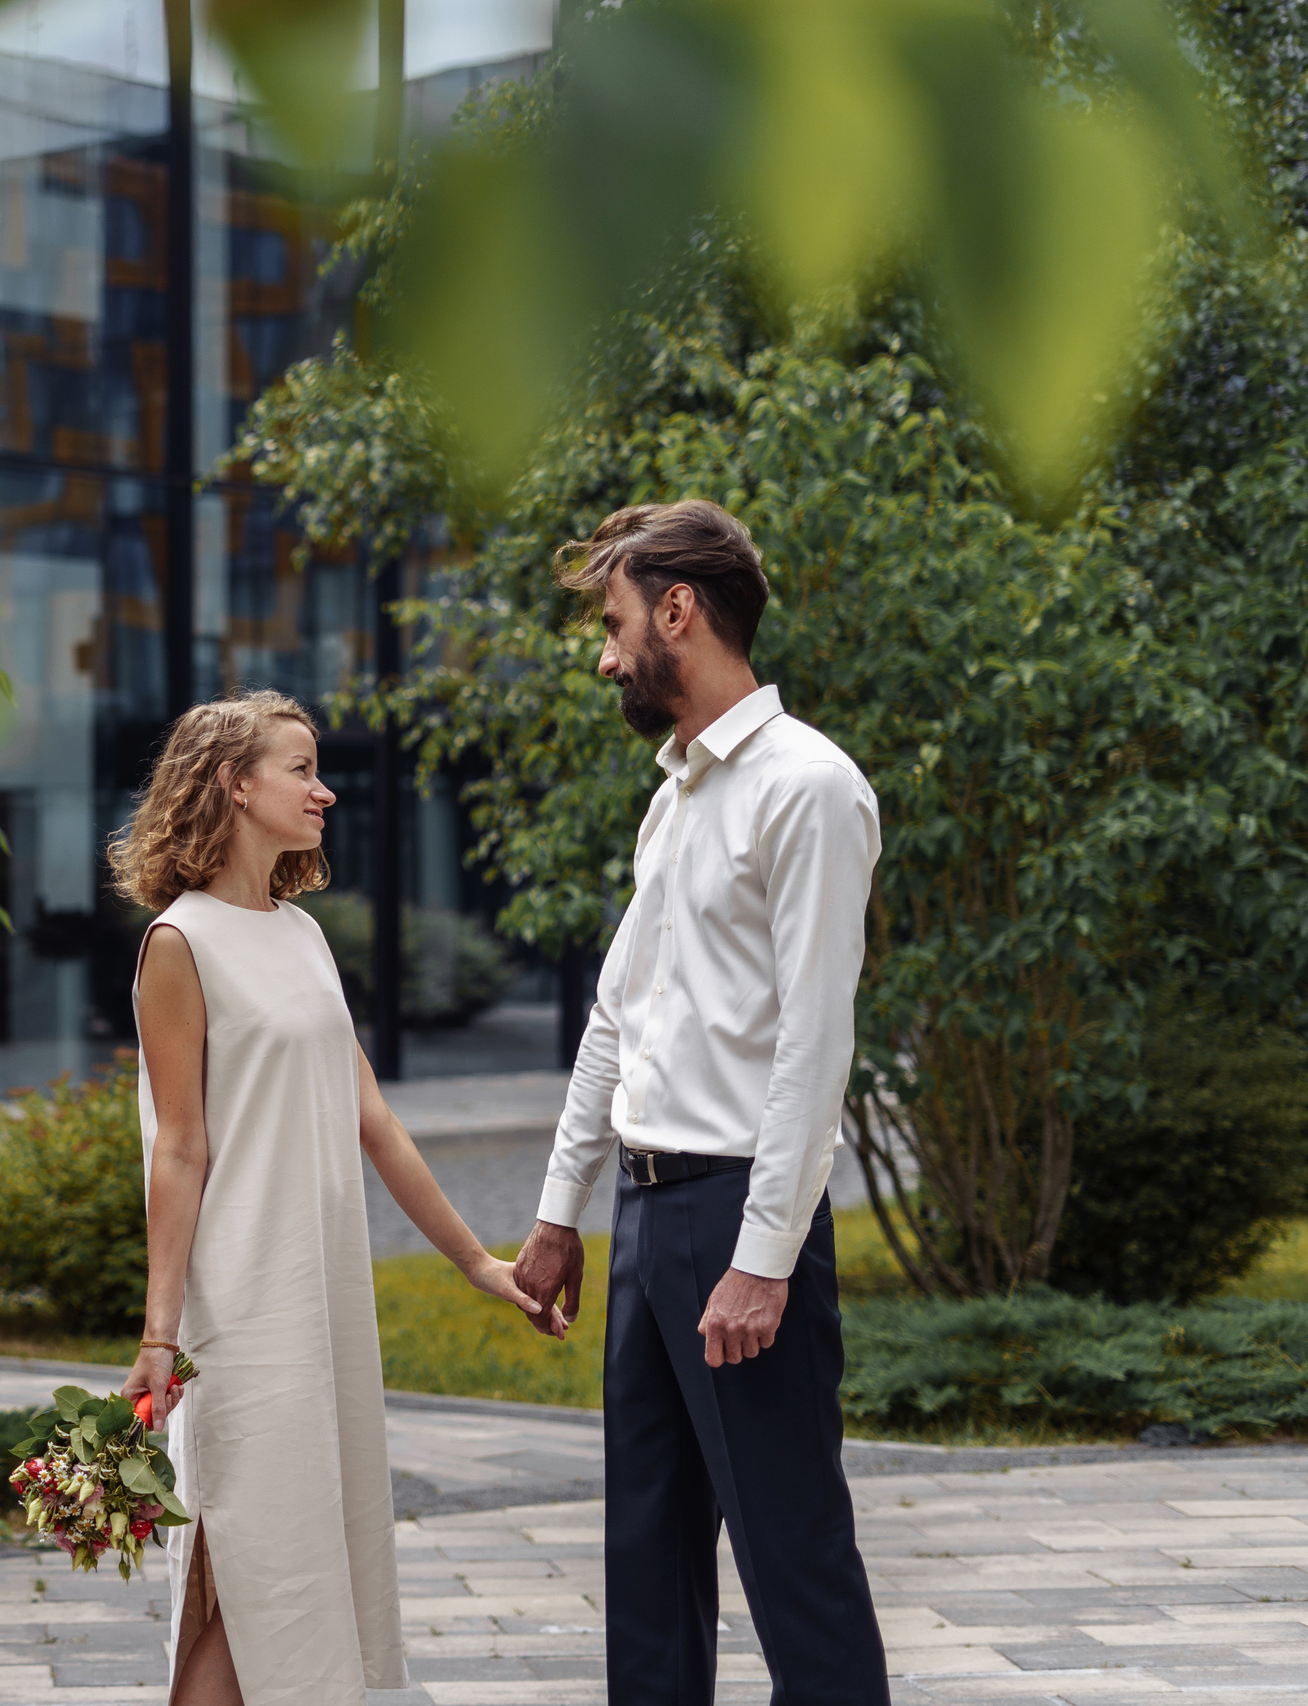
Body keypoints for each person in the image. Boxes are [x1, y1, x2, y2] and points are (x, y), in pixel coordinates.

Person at [511, 500, 889, 1704]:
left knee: (794, 1562)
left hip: (737, 1218)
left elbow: (812, 1046)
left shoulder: (809, 788)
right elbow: (619, 1016)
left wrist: (764, 1255)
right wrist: (561, 1210)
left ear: (681, 609)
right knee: (646, 1569)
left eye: (617, 622)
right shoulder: (672, 800)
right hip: (644, 1218)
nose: (608, 653)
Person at [112, 689, 545, 1706]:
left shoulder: (301, 935)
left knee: (298, 1561)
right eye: (300, 767)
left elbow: (375, 1122)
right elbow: (177, 1148)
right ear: (233, 781)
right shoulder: (179, 943)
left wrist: (477, 1260)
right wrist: (159, 1334)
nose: (325, 788)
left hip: (322, 1291)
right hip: (244, 1301)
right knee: (246, 1552)